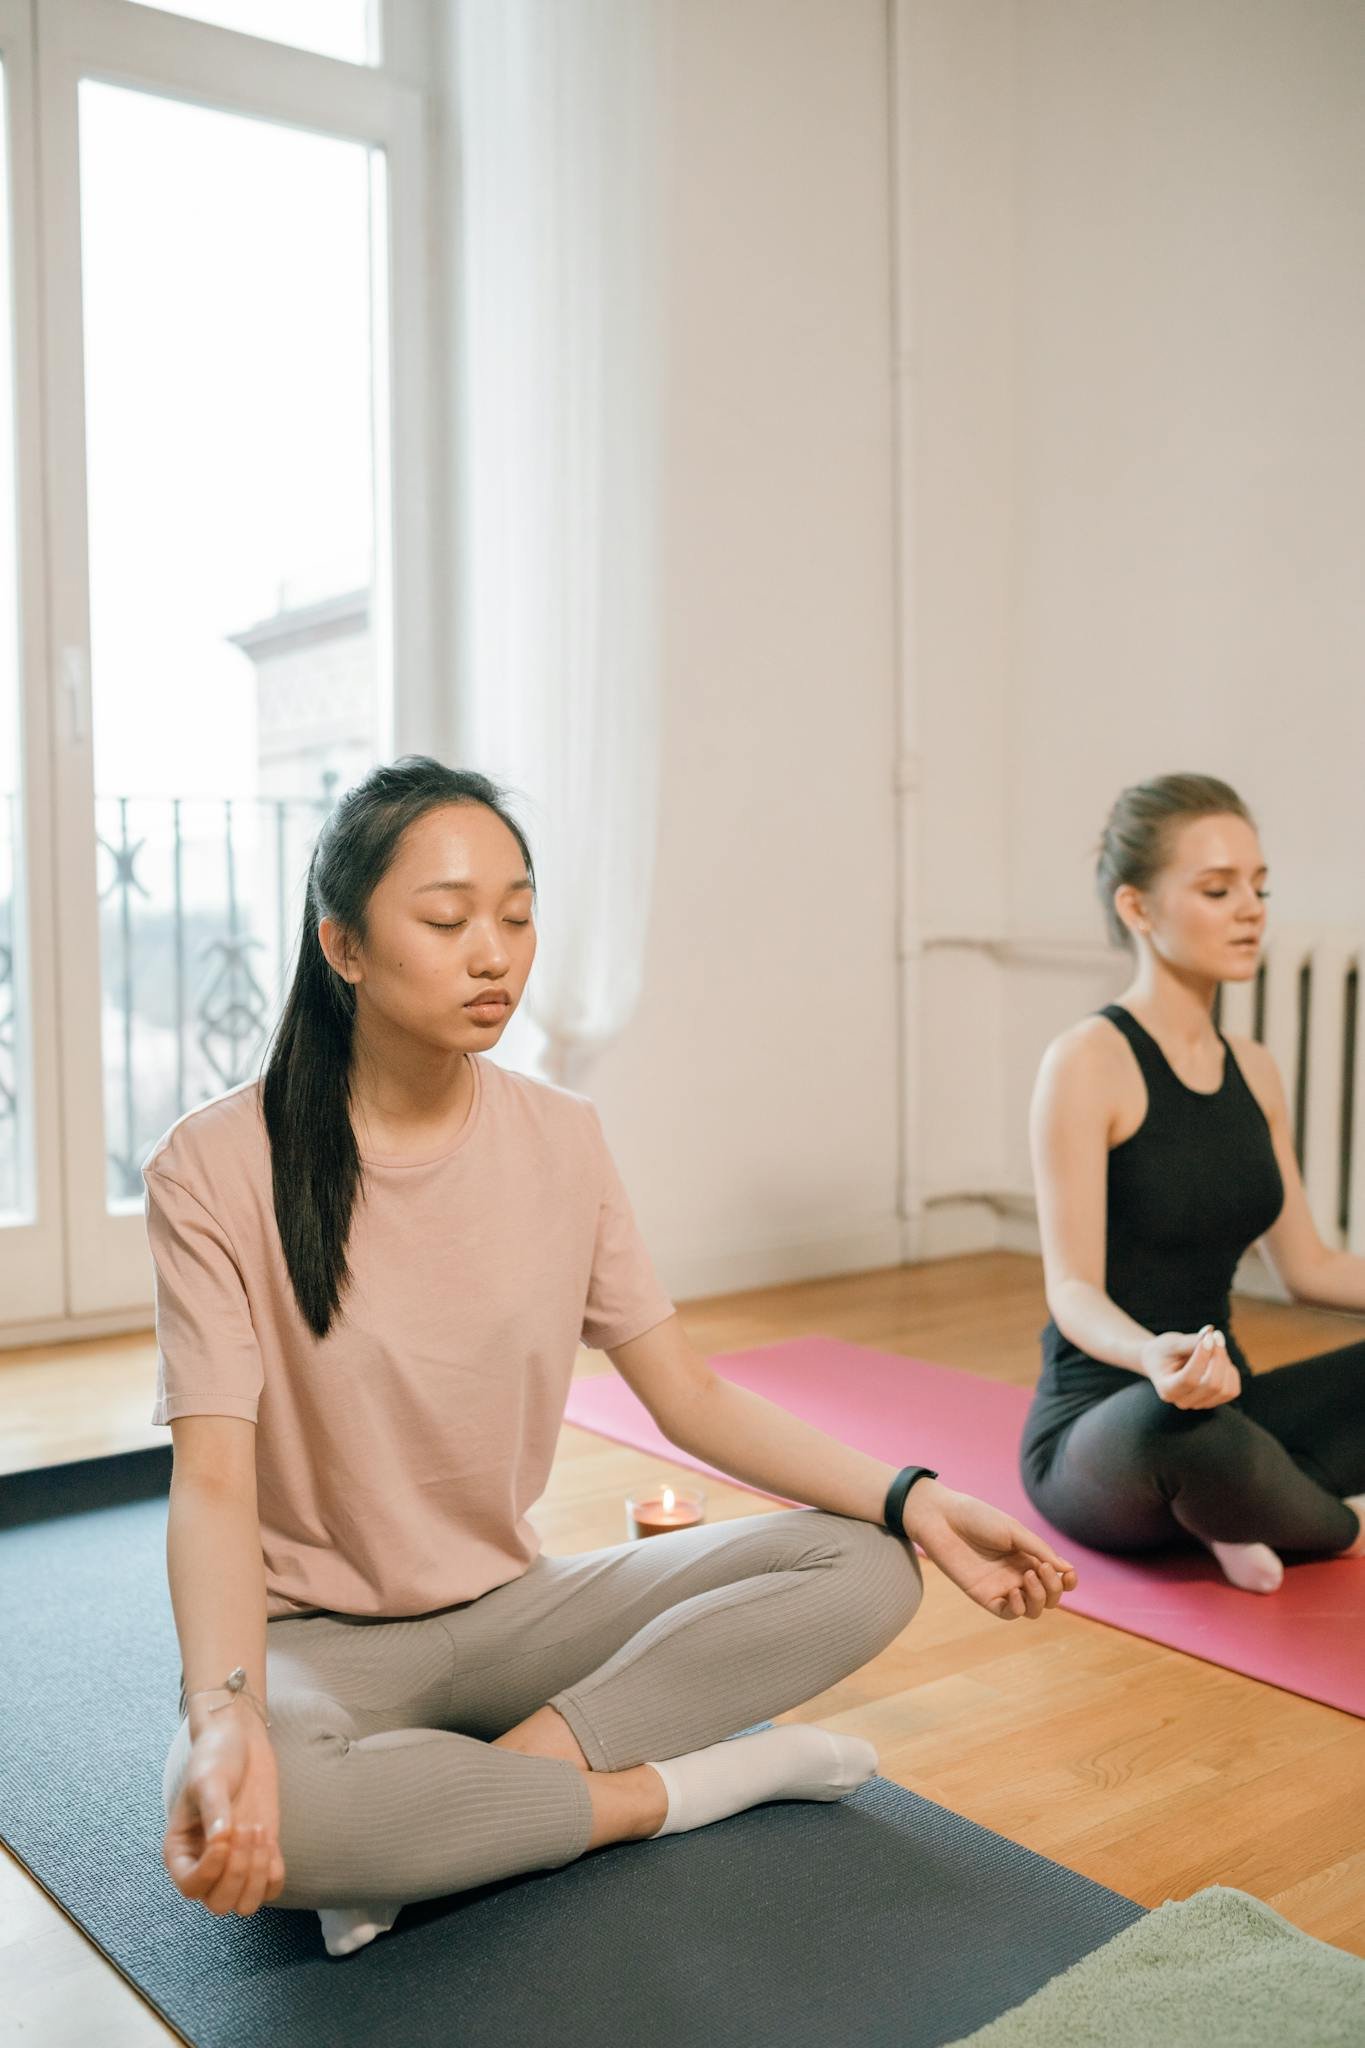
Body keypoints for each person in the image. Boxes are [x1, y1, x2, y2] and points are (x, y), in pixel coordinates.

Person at [151, 756, 1075, 1957]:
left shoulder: (562, 1137)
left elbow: (688, 1393)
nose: (494, 954)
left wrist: (918, 1496)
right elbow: (214, 1480)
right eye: (447, 920)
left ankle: (476, 1800)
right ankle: (678, 1789)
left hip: (515, 1610)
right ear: (345, 946)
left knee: (871, 1563)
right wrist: (225, 1711)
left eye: (517, 915)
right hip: (315, 1645)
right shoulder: (215, 1164)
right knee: (263, 1814)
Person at [1022, 772, 1365, 1595]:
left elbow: (1309, 1267)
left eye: (1258, 888)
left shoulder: (1254, 1069)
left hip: (1225, 1409)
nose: (1251, 910)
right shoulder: (1085, 1062)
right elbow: (1071, 1290)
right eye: (1217, 890)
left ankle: (1240, 1506)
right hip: (1108, 1427)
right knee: (1180, 1424)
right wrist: (1151, 1356)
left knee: (1216, 1426)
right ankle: (1301, 1514)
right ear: (1137, 908)